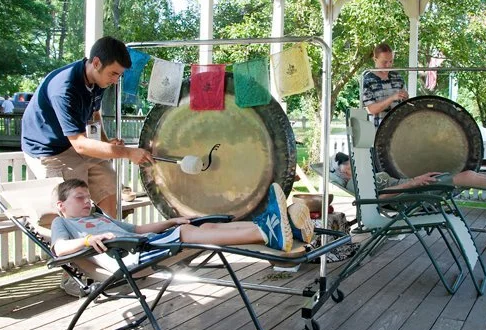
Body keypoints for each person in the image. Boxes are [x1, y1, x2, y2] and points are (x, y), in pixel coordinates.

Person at [51, 180, 309, 274]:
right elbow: (59, 248)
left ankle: (280, 227)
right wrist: (86, 241)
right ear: (62, 205)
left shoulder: (101, 219)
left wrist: (170, 221)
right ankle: (266, 233)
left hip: (143, 242)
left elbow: (137, 229)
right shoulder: (62, 223)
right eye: (79, 198)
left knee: (203, 226)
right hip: (129, 256)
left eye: (88, 197)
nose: (87, 202)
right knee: (188, 234)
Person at [21, 36, 154, 216]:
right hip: (51, 151)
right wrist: (129, 153)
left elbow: (94, 113)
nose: (116, 81)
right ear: (97, 63)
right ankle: (80, 242)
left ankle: (111, 237)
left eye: (119, 75)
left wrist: (106, 142)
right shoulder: (65, 89)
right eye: (113, 74)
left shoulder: (98, 80)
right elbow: (80, 144)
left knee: (110, 185)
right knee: (74, 205)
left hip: (75, 143)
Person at [330, 152, 486, 197]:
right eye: (346, 168)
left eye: (350, 164)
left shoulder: (363, 176)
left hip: (414, 187)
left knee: (469, 175)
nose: (350, 168)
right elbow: (380, 199)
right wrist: (414, 182)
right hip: (412, 194)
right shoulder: (352, 185)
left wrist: (414, 180)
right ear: (342, 174)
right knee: (466, 177)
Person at [361, 42, 408, 127]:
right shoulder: (367, 80)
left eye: (391, 61)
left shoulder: (398, 77)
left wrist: (406, 97)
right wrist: (392, 98)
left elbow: (406, 104)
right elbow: (371, 109)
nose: (388, 65)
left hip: (398, 128)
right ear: (375, 59)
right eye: (384, 62)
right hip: (377, 131)